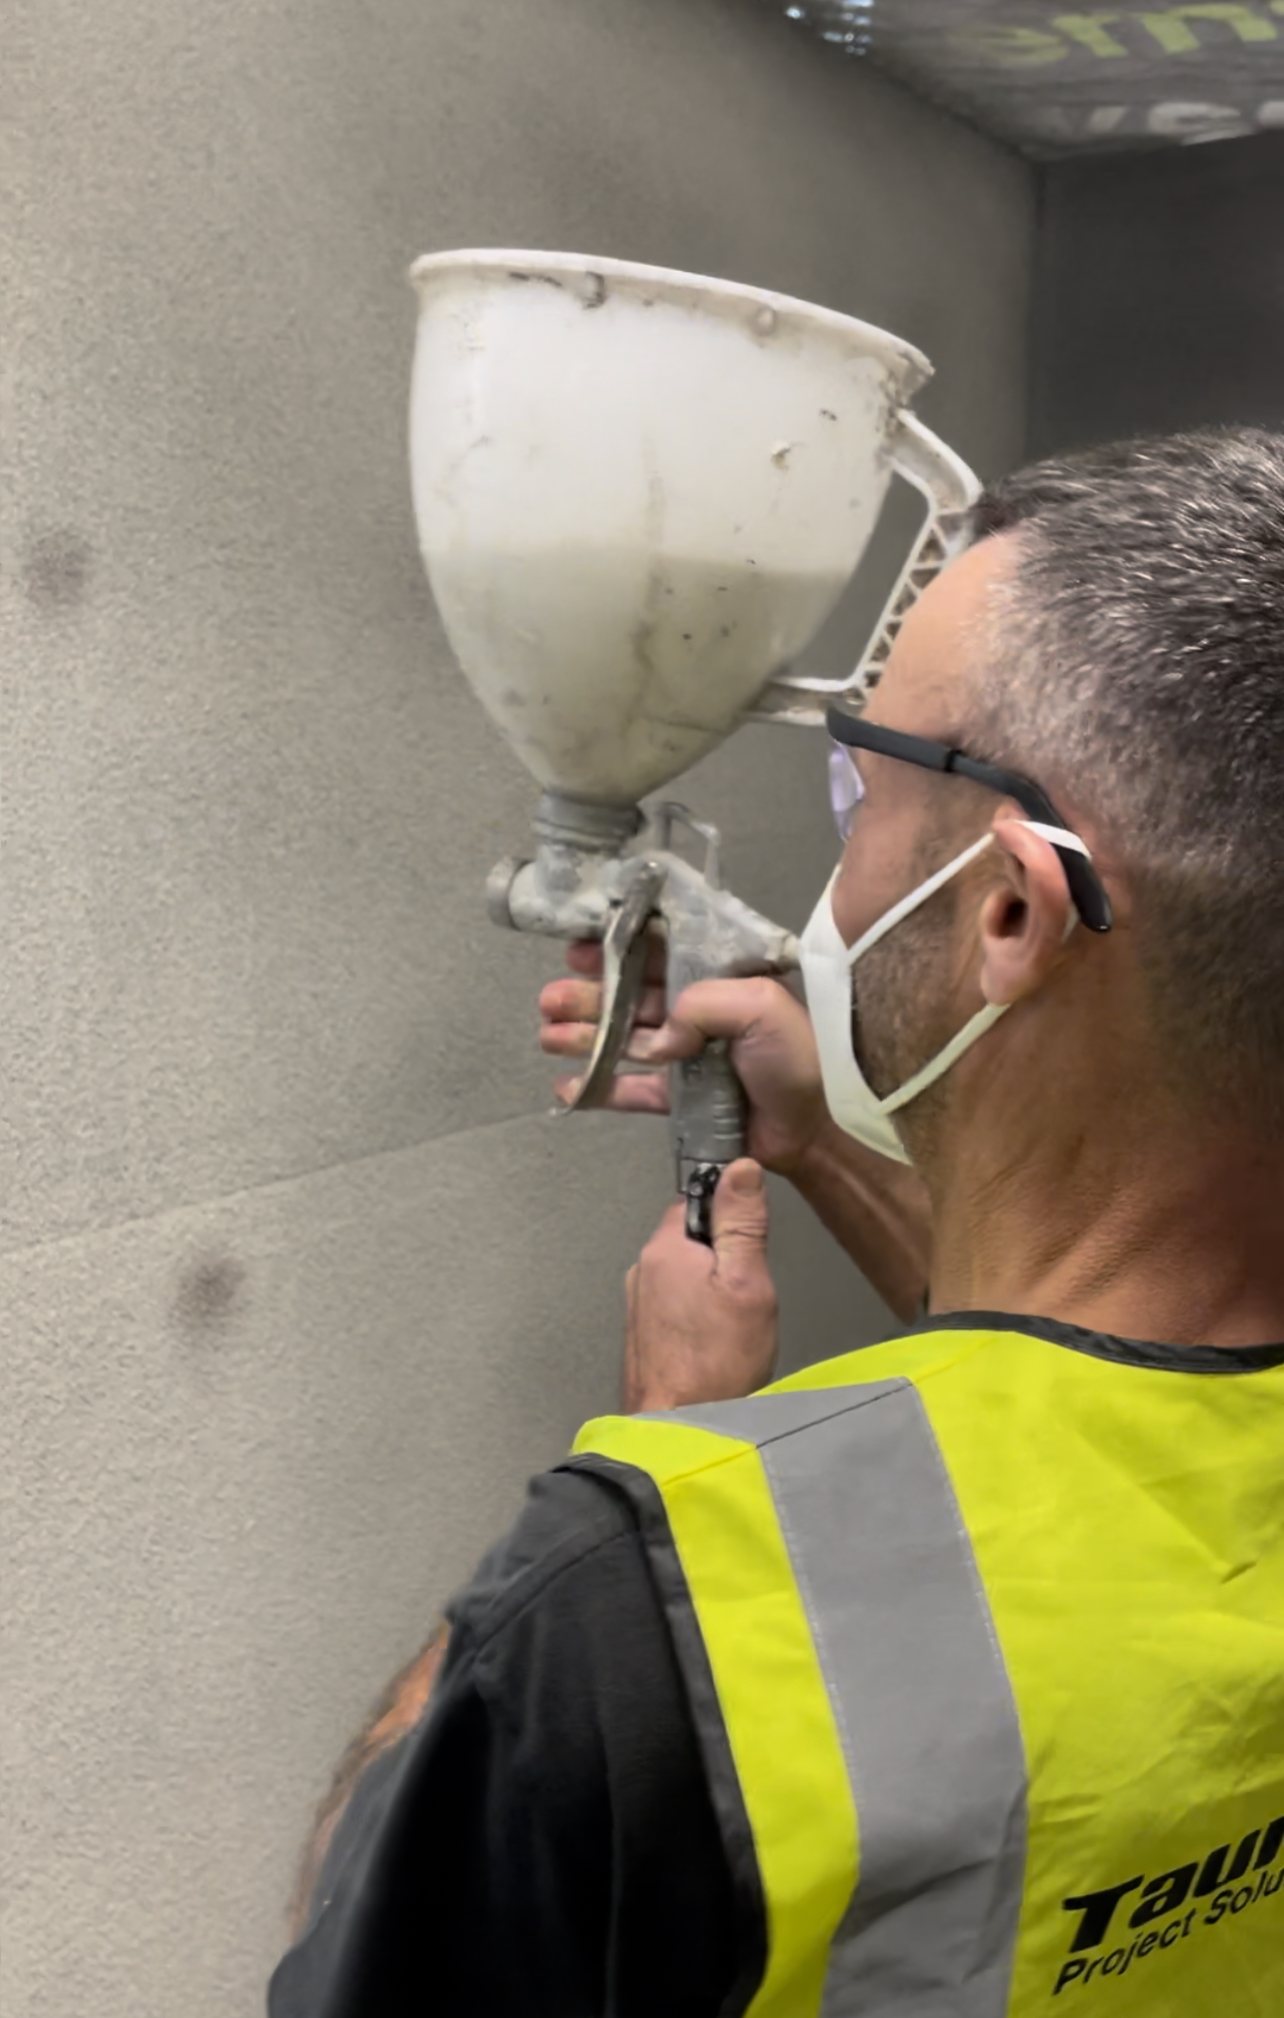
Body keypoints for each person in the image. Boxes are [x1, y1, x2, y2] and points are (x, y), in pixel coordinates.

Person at [268, 427, 1284, 2017]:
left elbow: (360, 1921)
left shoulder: (635, 1604)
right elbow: (1090, 1401)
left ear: (1012, 908)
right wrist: (823, 1143)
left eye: (868, 779)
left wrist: (666, 1442)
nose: (843, 837)